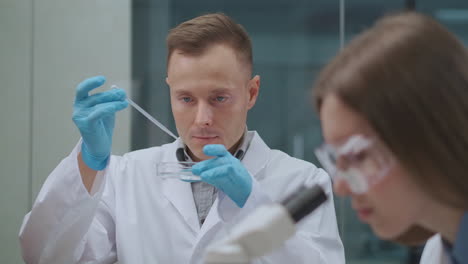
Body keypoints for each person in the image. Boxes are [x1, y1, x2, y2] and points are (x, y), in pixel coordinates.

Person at [19, 13, 344, 263]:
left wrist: (254, 204)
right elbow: (46, 256)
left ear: (251, 92)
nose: (202, 118)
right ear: (170, 92)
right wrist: (88, 162)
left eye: (219, 98)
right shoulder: (126, 176)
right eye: (186, 99)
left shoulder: (301, 182)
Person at [312, 12, 468, 264]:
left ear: (428, 137)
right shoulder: (443, 249)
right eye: (335, 159)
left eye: (358, 156)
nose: (340, 186)